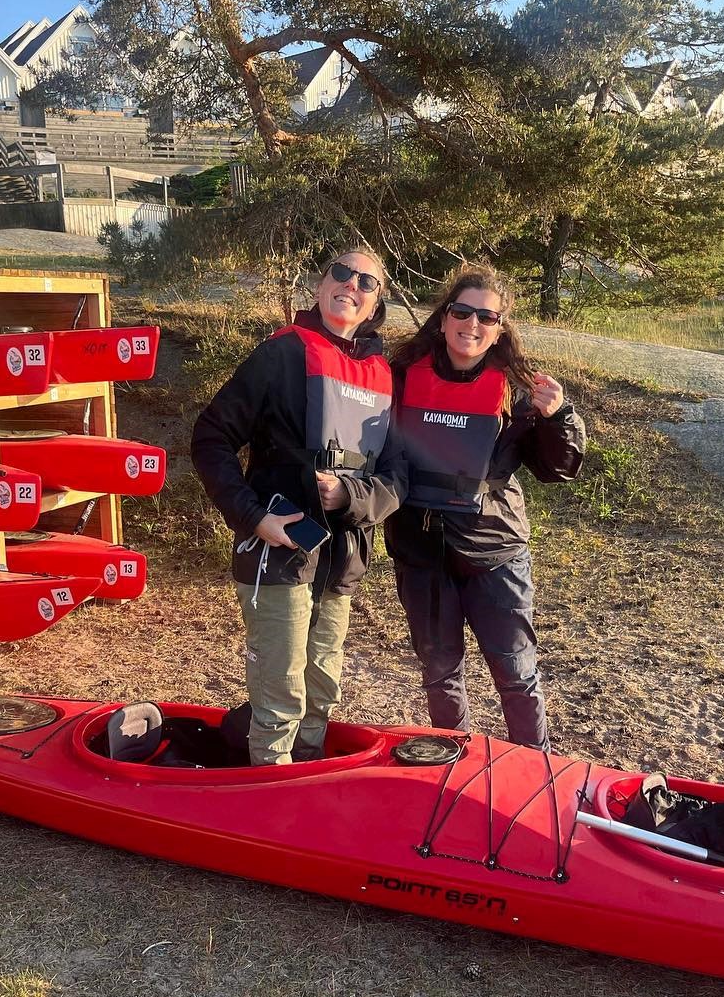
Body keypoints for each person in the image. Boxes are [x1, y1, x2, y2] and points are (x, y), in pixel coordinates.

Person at [192, 248, 406, 765]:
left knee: (320, 688)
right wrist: (253, 517)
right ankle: (267, 789)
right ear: (319, 284)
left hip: (342, 557)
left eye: (367, 282)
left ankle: (306, 777)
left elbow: (396, 479)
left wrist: (349, 496)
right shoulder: (280, 355)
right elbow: (210, 437)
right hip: (278, 550)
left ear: (376, 304)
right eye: (342, 273)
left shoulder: (383, 374)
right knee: (282, 689)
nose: (351, 285)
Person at [384, 265, 585, 750]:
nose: (471, 324)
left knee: (515, 673)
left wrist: (559, 416)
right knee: (439, 671)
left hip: (495, 551)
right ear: (444, 316)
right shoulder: (400, 375)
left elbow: (556, 468)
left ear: (500, 327)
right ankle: (453, 768)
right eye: (462, 311)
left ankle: (534, 769)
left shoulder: (517, 389)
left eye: (486, 317)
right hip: (421, 550)